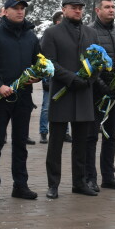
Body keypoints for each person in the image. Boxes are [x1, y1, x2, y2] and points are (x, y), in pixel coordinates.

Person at [0, 0, 41, 202]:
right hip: (0, 97)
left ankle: (20, 185)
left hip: (23, 97)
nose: (20, 11)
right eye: (15, 8)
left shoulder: (31, 36)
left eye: (23, 8)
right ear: (4, 12)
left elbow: (38, 62)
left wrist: (37, 76)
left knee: (20, 142)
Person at [41, 0, 101, 198]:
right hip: (62, 93)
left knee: (82, 143)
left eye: (80, 8)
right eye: (73, 8)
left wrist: (89, 79)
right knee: (56, 143)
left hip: (84, 93)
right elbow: (49, 62)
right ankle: (53, 184)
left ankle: (79, 182)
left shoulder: (91, 33)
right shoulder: (52, 33)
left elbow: (98, 60)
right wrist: (71, 78)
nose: (78, 11)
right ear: (64, 9)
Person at [87, 0, 115, 191]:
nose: (111, 10)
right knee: (91, 137)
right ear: (98, 10)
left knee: (110, 135)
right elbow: (87, 64)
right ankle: (90, 177)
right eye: (107, 7)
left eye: (113, 7)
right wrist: (101, 85)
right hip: (96, 94)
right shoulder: (88, 33)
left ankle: (109, 176)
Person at [39, 11, 63, 144]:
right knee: (47, 106)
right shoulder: (49, 35)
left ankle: (65, 133)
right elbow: (44, 58)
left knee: (66, 105)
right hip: (50, 77)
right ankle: (43, 131)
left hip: (64, 77)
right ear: (57, 22)